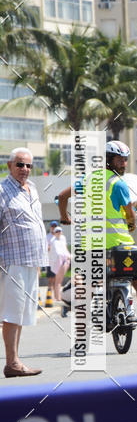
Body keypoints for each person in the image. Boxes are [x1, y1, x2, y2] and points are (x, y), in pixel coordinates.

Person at [58, 140, 137, 351]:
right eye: (120, 160)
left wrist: (65, 218)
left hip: (93, 247)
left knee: (87, 289)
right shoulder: (118, 184)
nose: (124, 164)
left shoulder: (87, 180)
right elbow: (130, 214)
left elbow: (62, 196)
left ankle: (82, 339)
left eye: (125, 160)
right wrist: (132, 224)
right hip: (121, 246)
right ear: (108, 160)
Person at [0, 147, 46, 377]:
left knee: (22, 313)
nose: (24, 169)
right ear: (9, 166)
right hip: (11, 260)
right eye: (19, 164)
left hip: (31, 260)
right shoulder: (1, 190)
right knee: (11, 313)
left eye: (28, 165)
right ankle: (12, 362)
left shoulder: (33, 189)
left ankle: (14, 361)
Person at [48, 226, 71, 303]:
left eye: (60, 231)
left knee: (59, 280)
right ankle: (57, 297)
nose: (59, 232)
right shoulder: (53, 241)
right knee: (57, 280)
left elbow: (65, 249)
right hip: (58, 262)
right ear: (54, 232)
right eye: (57, 231)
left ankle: (58, 296)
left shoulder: (63, 239)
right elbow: (56, 253)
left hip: (64, 261)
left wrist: (68, 256)